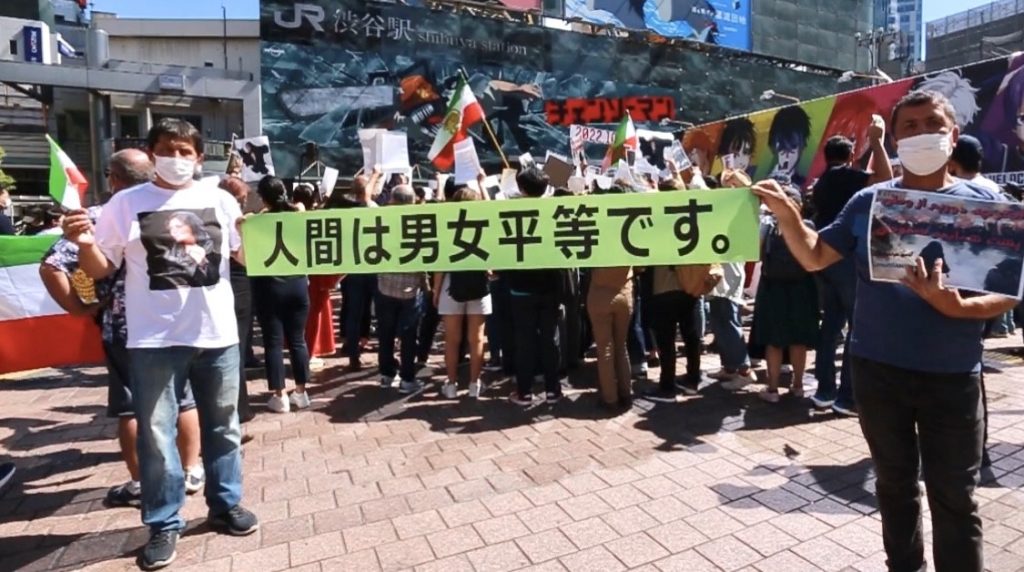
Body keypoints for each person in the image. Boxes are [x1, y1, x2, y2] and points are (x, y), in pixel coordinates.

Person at [753, 90, 1016, 572]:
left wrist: (952, 306)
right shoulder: (868, 201)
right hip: (877, 372)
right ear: (893, 139)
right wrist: (790, 217)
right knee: (894, 487)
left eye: (931, 123)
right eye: (908, 126)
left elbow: (1009, 291)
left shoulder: (988, 205)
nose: (920, 133)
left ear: (953, 135)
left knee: (955, 497)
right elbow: (815, 255)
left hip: (953, 377)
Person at [63, 119, 258, 571]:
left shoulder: (220, 199)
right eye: (170, 149)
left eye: (188, 150)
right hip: (154, 340)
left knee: (224, 427)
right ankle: (164, 521)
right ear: (151, 153)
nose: (180, 157)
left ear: (198, 155)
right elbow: (99, 268)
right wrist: (84, 242)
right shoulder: (125, 203)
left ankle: (225, 505)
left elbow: (242, 258)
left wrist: (251, 235)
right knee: (155, 435)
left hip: (218, 335)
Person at [41, 149, 206, 508]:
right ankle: (191, 470)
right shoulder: (174, 208)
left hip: (125, 328)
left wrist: (80, 307)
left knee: (132, 407)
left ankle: (141, 482)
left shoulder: (101, 216)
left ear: (113, 179)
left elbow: (52, 265)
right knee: (184, 398)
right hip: (175, 322)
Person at [810, 131, 892, 416]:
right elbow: (885, 178)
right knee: (856, 328)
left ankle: (824, 391)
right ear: (850, 154)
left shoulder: (820, 183)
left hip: (825, 258)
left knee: (831, 327)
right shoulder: (846, 176)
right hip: (847, 258)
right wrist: (878, 142)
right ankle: (847, 396)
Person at [751, 185, 819, 403]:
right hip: (802, 288)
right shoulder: (808, 226)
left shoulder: (769, 227)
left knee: (774, 340)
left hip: (773, 287)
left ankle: (772, 390)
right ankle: (797, 385)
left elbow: (757, 253)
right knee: (798, 339)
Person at [253, 177, 312, 414]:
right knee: (298, 340)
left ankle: (280, 396)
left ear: (262, 197)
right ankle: (301, 392)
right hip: (298, 285)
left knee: (274, 343)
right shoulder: (298, 215)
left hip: (269, 288)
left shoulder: (256, 222)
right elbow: (300, 209)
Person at [505, 167, 563, 406]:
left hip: (521, 288)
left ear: (521, 188)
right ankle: (553, 390)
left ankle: (524, 392)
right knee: (549, 339)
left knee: (525, 341)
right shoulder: (554, 212)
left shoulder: (508, 212)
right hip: (549, 286)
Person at [433, 188, 491, 400]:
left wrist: (436, 290)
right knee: (477, 339)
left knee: (452, 339)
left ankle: (451, 384)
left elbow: (440, 263)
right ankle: (475, 383)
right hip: (479, 284)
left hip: (451, 285)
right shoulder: (485, 226)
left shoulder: (446, 227)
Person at [376, 185, 428, 393]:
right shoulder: (420, 223)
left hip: (385, 285)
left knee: (385, 333)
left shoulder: (380, 220)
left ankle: (386, 374)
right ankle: (407, 378)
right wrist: (426, 285)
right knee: (408, 336)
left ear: (392, 200)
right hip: (410, 289)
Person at [218, 176, 256, 428]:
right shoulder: (225, 214)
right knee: (233, 346)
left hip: (233, 283)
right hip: (231, 282)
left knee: (235, 346)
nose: (243, 202)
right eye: (241, 199)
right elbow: (242, 257)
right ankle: (235, 407)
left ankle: (236, 406)